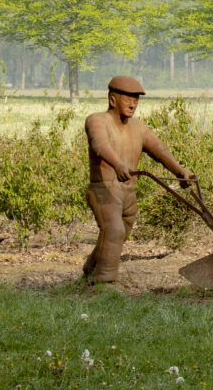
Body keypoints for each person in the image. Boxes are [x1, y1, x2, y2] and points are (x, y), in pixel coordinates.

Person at [82, 75, 193, 283]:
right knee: (113, 231)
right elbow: (100, 145)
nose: (133, 103)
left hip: (129, 192)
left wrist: (180, 171)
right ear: (113, 99)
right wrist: (117, 164)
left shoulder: (139, 127)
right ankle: (104, 282)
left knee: (118, 233)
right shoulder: (97, 120)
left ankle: (91, 268)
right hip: (104, 189)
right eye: (128, 98)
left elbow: (159, 151)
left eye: (137, 99)